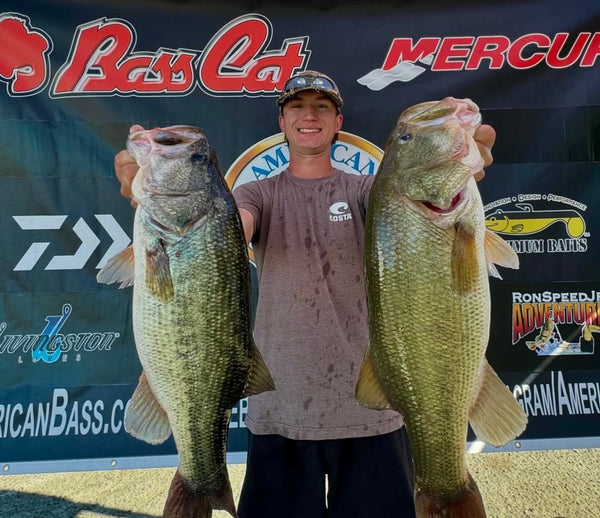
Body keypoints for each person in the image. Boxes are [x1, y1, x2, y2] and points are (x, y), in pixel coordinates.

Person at [114, 70, 496, 518]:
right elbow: (232, 230)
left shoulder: (370, 191)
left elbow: (406, 207)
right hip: (279, 411)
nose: (309, 115)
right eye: (297, 106)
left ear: (338, 122)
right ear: (282, 121)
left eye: (321, 107)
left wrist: (455, 163)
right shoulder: (256, 194)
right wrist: (168, 206)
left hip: (374, 409)